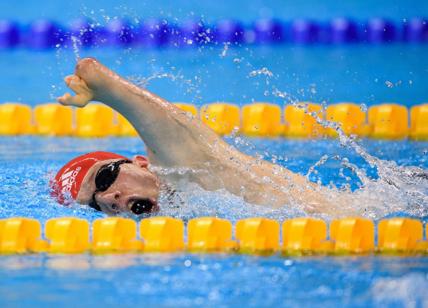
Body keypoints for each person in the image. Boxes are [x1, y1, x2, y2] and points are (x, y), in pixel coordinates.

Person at [52, 57, 335, 216]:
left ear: (141, 163)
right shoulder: (182, 216)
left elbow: (161, 126)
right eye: (93, 204)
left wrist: (105, 88)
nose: (107, 197)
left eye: (104, 178)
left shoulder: (183, 170)